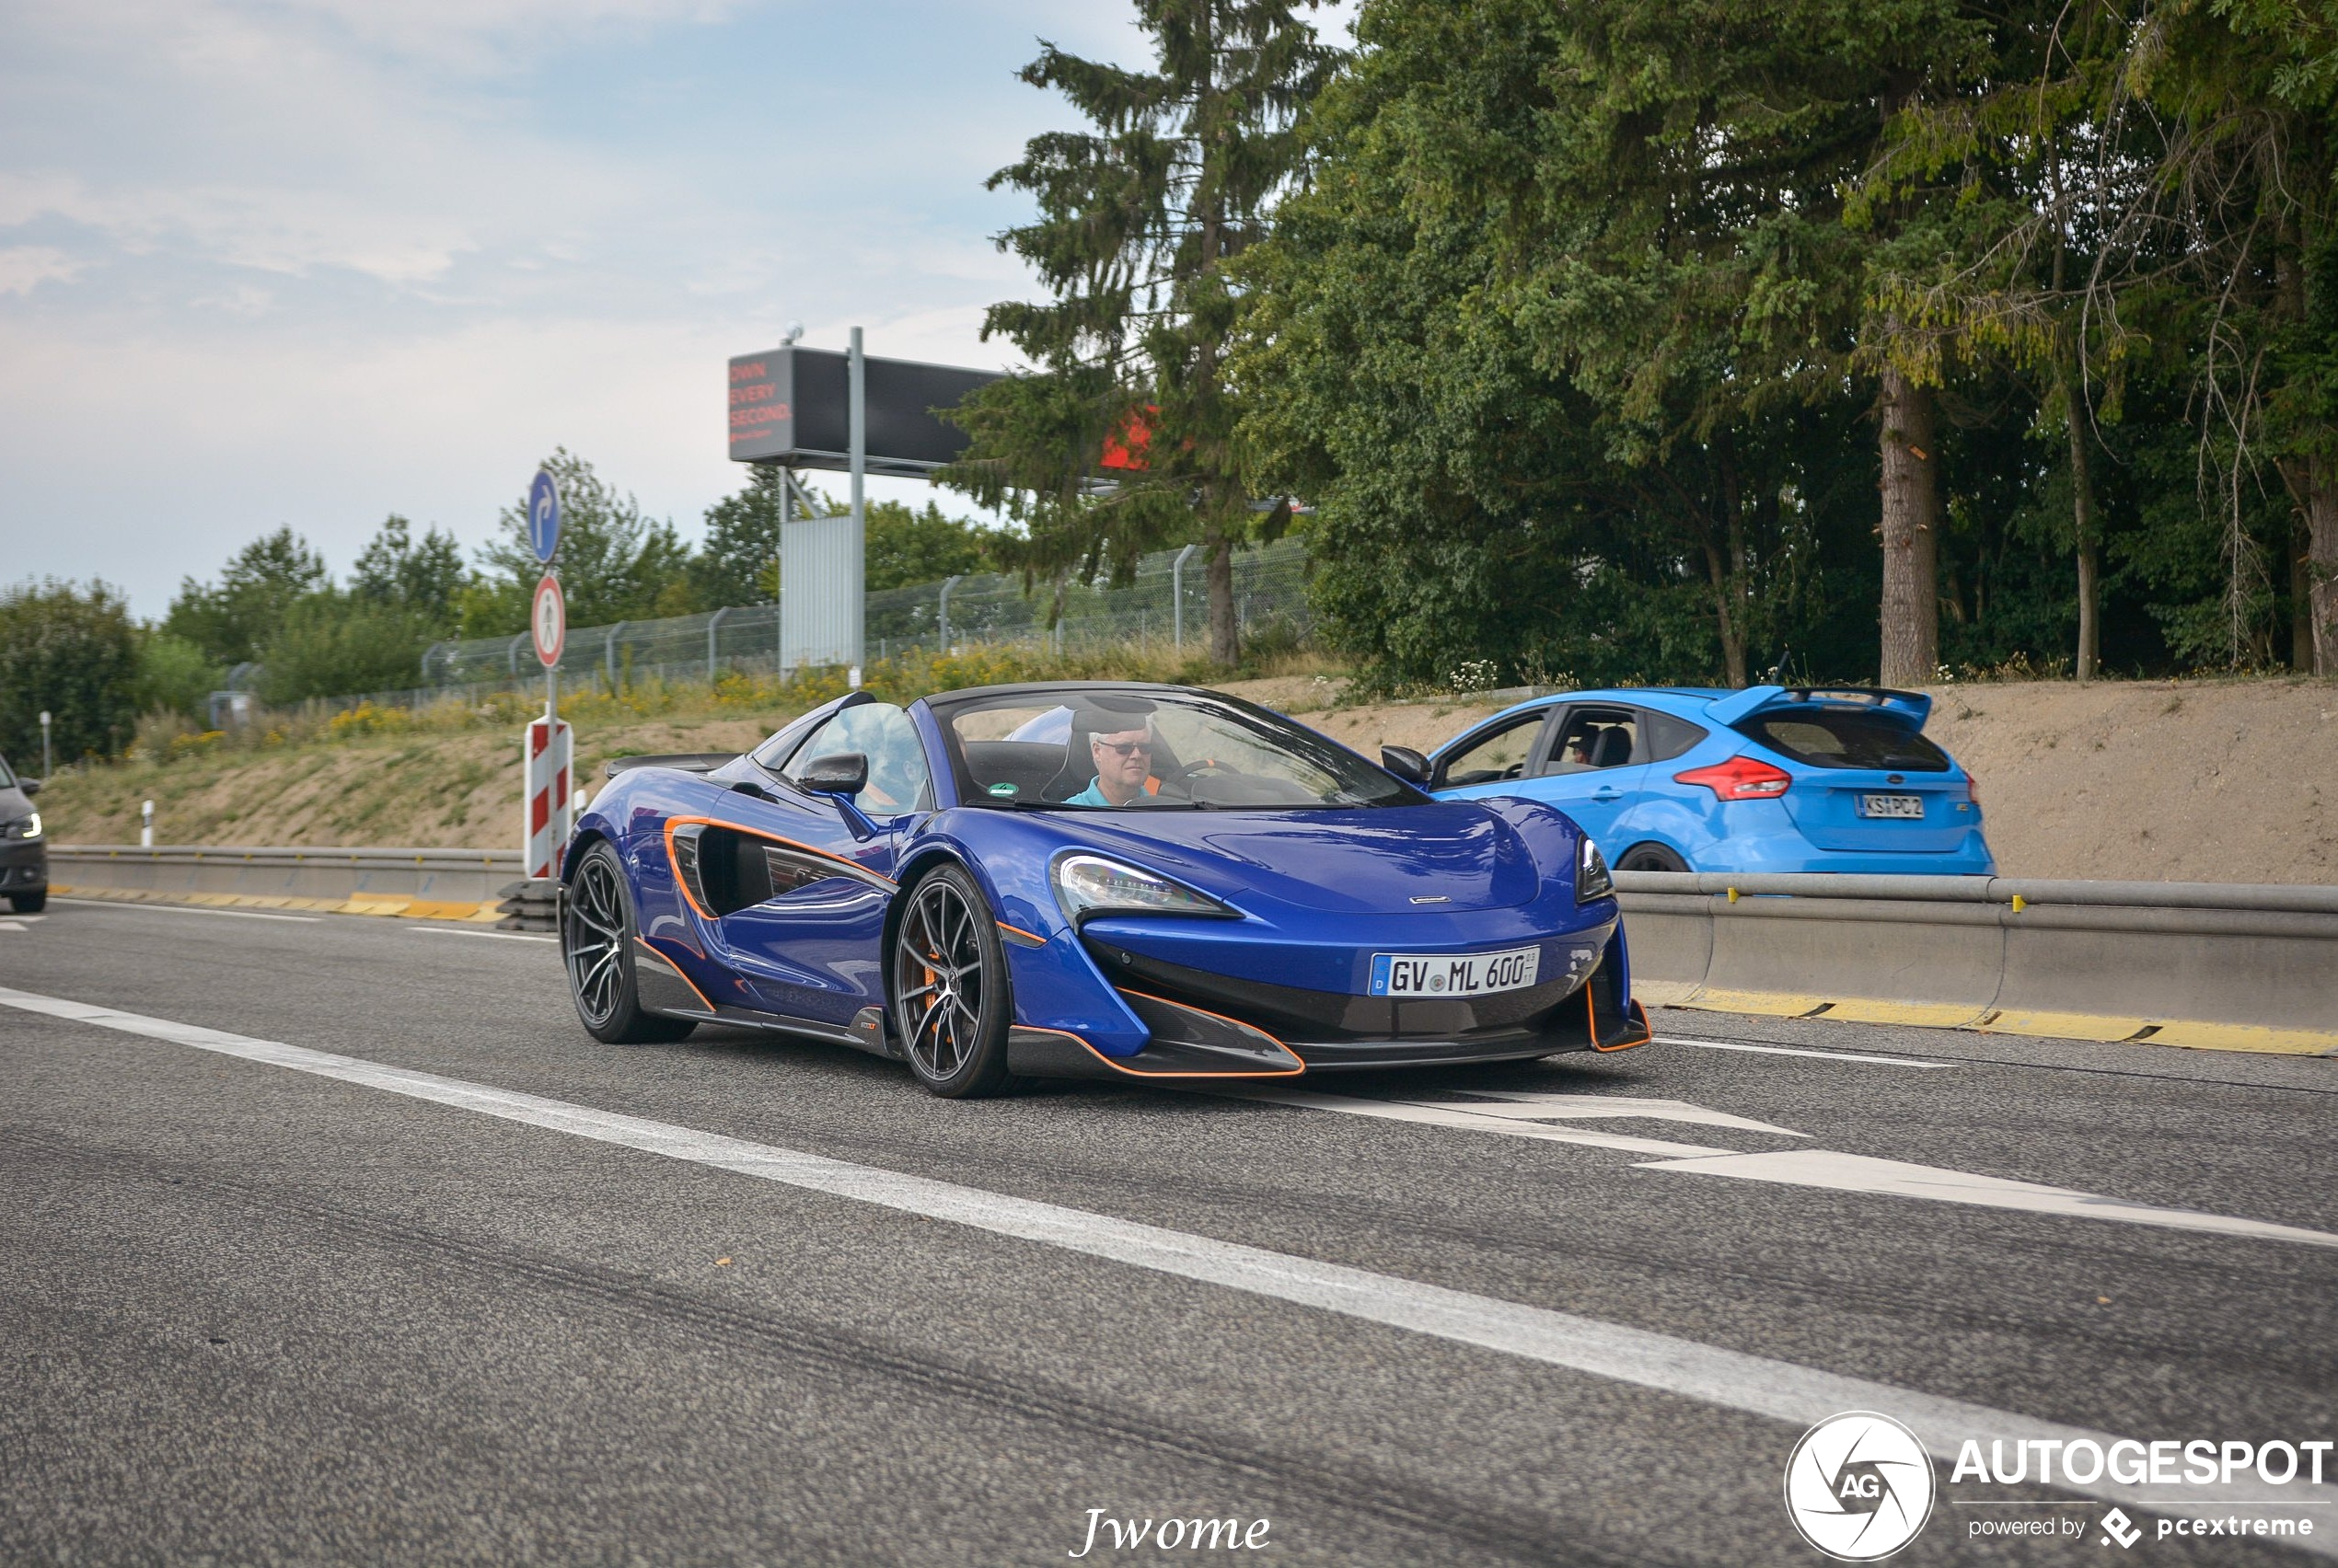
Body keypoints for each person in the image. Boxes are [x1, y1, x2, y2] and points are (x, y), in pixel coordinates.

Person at [1065, 718, 1157, 807]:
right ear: (1097, 751)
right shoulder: (1066, 815)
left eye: (1145, 747)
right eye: (1124, 748)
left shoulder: (1163, 807)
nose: (1137, 755)